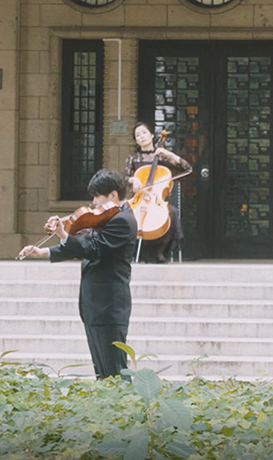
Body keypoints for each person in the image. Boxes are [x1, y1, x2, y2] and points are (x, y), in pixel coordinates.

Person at [20, 169, 137, 379]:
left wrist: (63, 233)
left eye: (96, 197)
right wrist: (42, 251)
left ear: (112, 195)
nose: (93, 203)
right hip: (94, 306)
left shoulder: (122, 220)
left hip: (109, 306)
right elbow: (80, 244)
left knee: (115, 372)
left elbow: (93, 248)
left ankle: (126, 409)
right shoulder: (105, 218)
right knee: (102, 372)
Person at [124, 122, 191, 263]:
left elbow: (187, 168)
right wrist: (132, 179)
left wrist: (168, 153)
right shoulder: (133, 158)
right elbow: (122, 179)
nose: (141, 136)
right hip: (139, 199)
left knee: (171, 213)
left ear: (152, 135)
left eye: (144, 133)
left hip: (156, 200)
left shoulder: (162, 156)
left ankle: (161, 252)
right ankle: (132, 250)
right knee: (125, 214)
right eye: (137, 135)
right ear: (136, 140)